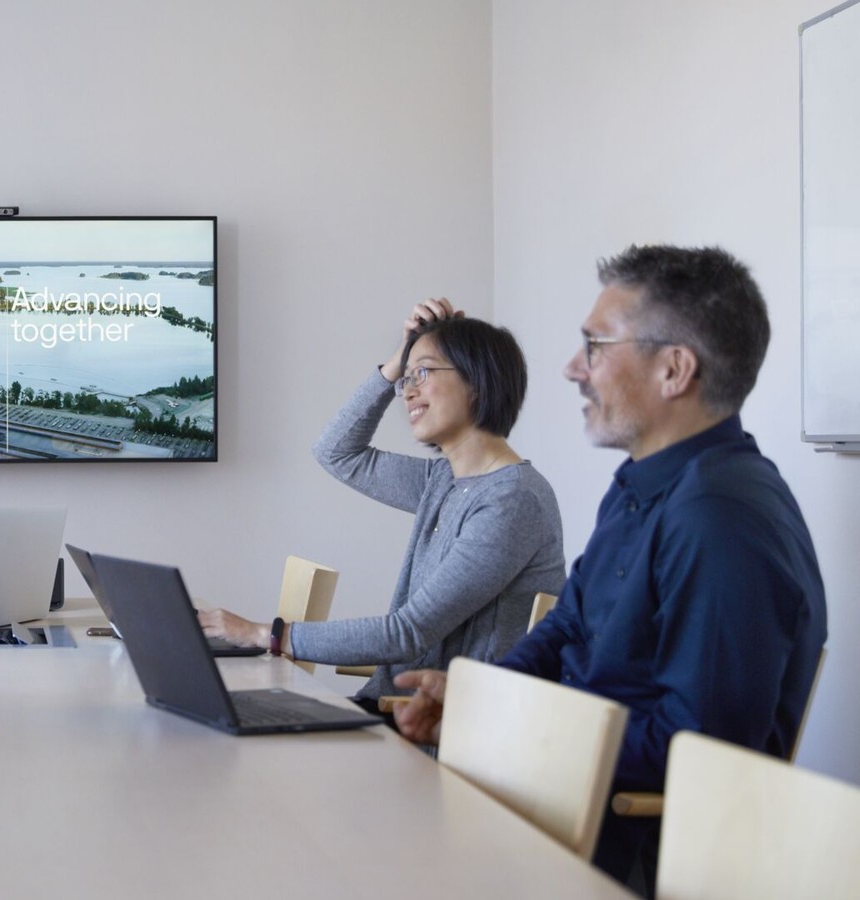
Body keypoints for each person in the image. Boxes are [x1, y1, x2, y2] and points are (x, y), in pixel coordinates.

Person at [393, 246, 827, 893]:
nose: (573, 368)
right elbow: (566, 627)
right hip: (559, 806)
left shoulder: (720, 518)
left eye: (594, 346)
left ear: (674, 370)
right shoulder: (640, 484)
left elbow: (697, 755)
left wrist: (503, 725)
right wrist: (477, 696)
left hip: (618, 853)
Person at [200, 302, 565, 717]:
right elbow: (336, 452)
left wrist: (263, 634)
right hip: (396, 711)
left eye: (423, 373)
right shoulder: (443, 480)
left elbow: (408, 632)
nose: (407, 391)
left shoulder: (512, 500)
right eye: (406, 379)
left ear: (478, 381)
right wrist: (398, 360)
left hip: (438, 734)